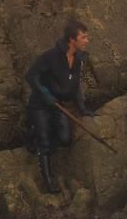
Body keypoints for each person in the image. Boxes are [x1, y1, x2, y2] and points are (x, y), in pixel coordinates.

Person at [25, 20, 95, 194]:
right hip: (41, 104)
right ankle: (48, 180)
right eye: (84, 37)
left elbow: (75, 86)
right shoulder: (51, 56)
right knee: (45, 142)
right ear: (72, 40)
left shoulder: (78, 59)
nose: (87, 40)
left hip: (58, 106)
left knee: (65, 140)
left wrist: (82, 108)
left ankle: (36, 132)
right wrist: (45, 95)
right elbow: (31, 76)